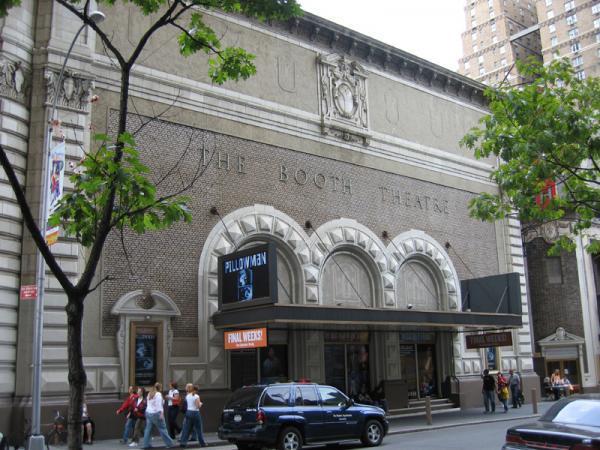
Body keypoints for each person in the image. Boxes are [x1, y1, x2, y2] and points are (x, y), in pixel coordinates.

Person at [142, 382, 174, 449]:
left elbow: (148, 403)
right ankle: (170, 443)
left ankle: (146, 444)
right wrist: (161, 414)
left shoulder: (149, 393)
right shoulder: (158, 394)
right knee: (163, 429)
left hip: (148, 413)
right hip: (156, 413)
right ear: (160, 388)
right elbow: (159, 405)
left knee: (148, 429)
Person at [179, 384, 206, 448]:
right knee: (199, 428)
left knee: (186, 428)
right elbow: (197, 406)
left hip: (188, 412)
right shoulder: (196, 396)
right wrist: (201, 404)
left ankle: (183, 443)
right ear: (196, 390)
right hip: (195, 413)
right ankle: (202, 443)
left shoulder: (187, 396)